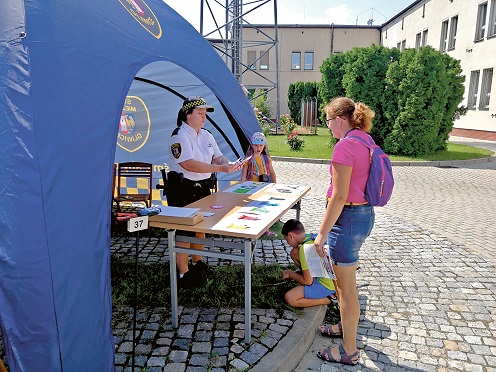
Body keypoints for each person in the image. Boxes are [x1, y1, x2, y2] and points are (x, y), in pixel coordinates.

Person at [313, 97, 375, 366]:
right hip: (363, 215)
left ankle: (348, 350)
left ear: (339, 120)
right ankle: (343, 326)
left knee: (346, 290)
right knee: (344, 286)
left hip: (346, 220)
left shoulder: (344, 147)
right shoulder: (365, 140)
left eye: (328, 121)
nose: (328, 127)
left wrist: (321, 234)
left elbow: (338, 197)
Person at [167, 96, 242, 288]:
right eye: (200, 113)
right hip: (183, 189)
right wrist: (220, 169)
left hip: (203, 187)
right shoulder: (179, 136)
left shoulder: (206, 134)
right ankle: (183, 275)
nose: (204, 117)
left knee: (200, 228)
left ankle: (197, 263)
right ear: (187, 114)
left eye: (205, 114)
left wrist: (229, 164)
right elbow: (189, 164)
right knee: (184, 232)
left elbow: (218, 157)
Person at [281, 219, 336, 308]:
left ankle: (328, 300)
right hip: (334, 279)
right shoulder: (311, 237)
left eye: (287, 240)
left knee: (290, 298)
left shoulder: (304, 249)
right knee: (294, 252)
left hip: (328, 286)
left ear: (291, 235)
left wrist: (290, 274)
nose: (288, 243)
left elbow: (308, 281)